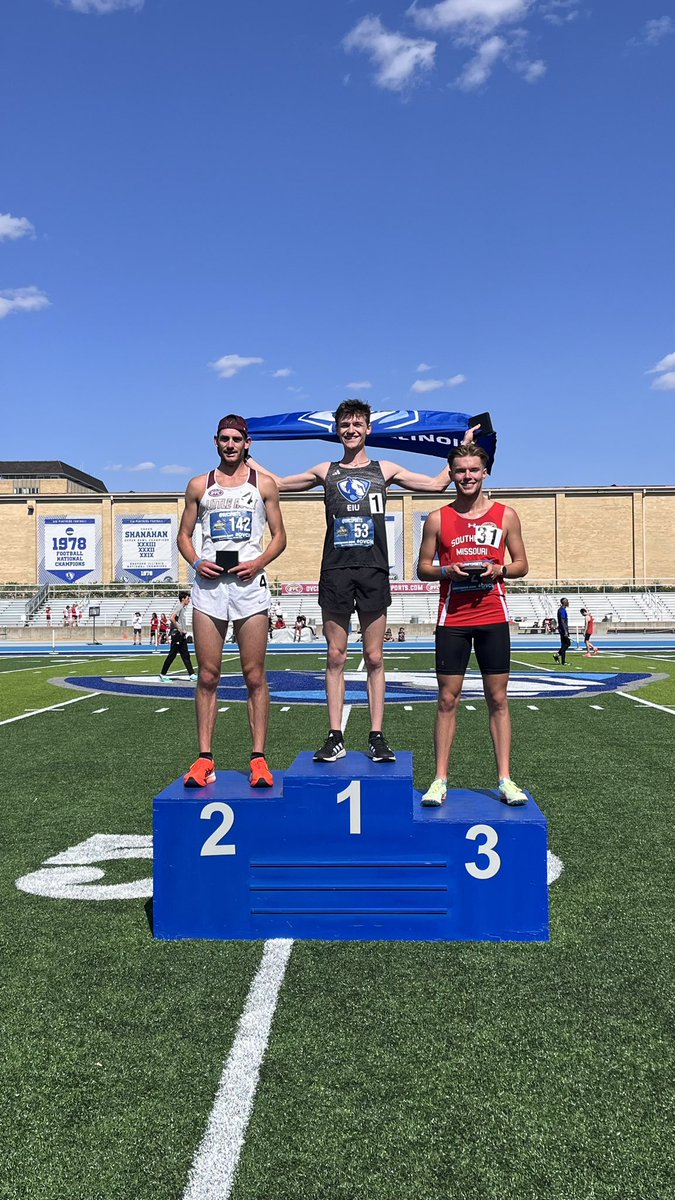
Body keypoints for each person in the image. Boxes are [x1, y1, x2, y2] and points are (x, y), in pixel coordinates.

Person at [251, 399, 478, 764]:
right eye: (345, 424)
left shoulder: (383, 468)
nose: (351, 429)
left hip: (373, 570)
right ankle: (335, 736)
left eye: (358, 424)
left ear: (369, 429)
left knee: (374, 656)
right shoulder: (325, 470)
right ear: (336, 430)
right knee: (336, 656)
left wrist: (460, 446)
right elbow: (276, 483)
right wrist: (247, 451)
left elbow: (437, 485)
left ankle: (376, 735)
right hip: (335, 571)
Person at [176, 414, 287, 789]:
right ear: (215, 442)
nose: (229, 445)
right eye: (223, 439)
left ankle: (258, 758)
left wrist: (257, 562)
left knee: (254, 675)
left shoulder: (264, 485)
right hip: (209, 589)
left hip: (249, 587)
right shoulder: (199, 485)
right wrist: (196, 561)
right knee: (208, 675)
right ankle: (205, 759)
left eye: (236, 439)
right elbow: (184, 535)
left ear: (247, 443)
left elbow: (279, 537)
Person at [416, 441, 529, 807]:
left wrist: (501, 569)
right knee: (447, 699)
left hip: (492, 617)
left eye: (473, 470)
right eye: (460, 471)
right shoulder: (437, 518)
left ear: (486, 472)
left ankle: (505, 779)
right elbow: (422, 568)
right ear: (451, 475)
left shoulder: (506, 515)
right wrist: (447, 570)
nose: (467, 476)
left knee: (498, 698)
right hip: (453, 620)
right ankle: (440, 780)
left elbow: (521, 565)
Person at [159, 593, 197, 681]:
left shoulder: (183, 609)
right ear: (183, 599)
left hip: (182, 636)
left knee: (185, 655)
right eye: (188, 598)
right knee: (172, 655)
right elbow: (172, 618)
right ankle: (163, 674)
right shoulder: (179, 607)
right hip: (177, 635)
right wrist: (179, 628)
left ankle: (192, 674)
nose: (189, 600)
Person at [553, 597, 571, 665]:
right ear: (564, 602)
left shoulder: (561, 610)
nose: (568, 602)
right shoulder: (562, 610)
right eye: (567, 601)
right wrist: (565, 631)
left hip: (562, 629)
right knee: (567, 644)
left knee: (564, 645)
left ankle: (561, 659)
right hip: (564, 630)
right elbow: (563, 621)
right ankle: (559, 656)